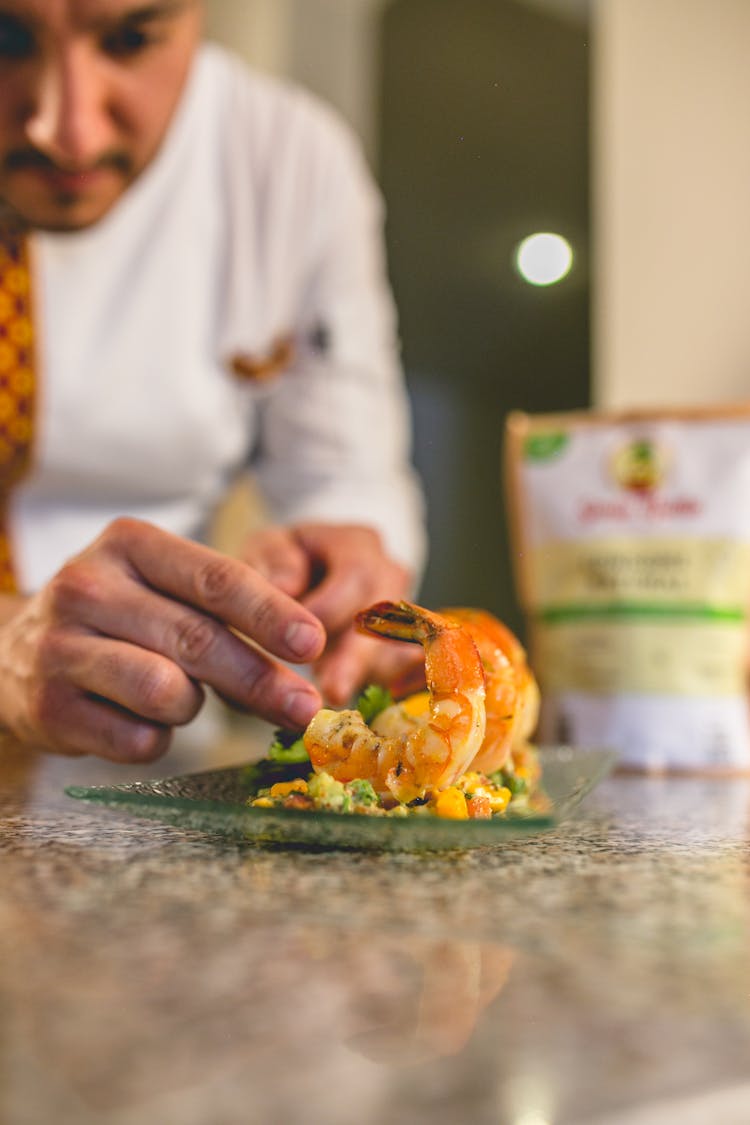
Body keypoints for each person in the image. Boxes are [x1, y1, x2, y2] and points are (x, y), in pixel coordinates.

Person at [0, 0, 426, 763]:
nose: (66, 132)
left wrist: (332, 564)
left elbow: (344, 474)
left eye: (131, 39)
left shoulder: (290, 161)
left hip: (147, 756)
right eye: (4, 39)